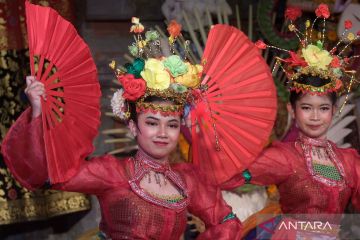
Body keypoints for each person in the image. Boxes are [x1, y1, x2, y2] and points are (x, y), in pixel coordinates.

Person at [1, 19, 242, 239]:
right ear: (132, 127)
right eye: (151, 122)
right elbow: (47, 173)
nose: (162, 133)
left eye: (171, 124)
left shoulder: (188, 180)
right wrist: (37, 111)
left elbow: (226, 221)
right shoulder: (112, 172)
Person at [221, 4, 360, 239]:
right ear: (292, 110)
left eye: (323, 108)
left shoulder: (349, 161)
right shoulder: (284, 158)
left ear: (334, 110)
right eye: (306, 108)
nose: (315, 116)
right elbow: (231, 176)